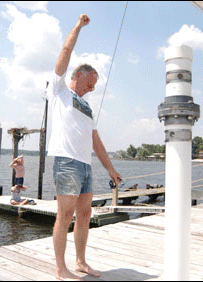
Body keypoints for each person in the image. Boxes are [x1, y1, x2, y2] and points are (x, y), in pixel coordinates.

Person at [46, 14, 122, 281]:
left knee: (85, 214)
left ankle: (80, 262)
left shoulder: (87, 106)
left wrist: (110, 168)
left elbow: (95, 139)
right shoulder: (59, 91)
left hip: (85, 165)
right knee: (64, 214)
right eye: (92, 81)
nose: (93, 87)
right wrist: (78, 27)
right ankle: (59, 268)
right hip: (66, 162)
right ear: (79, 74)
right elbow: (65, 52)